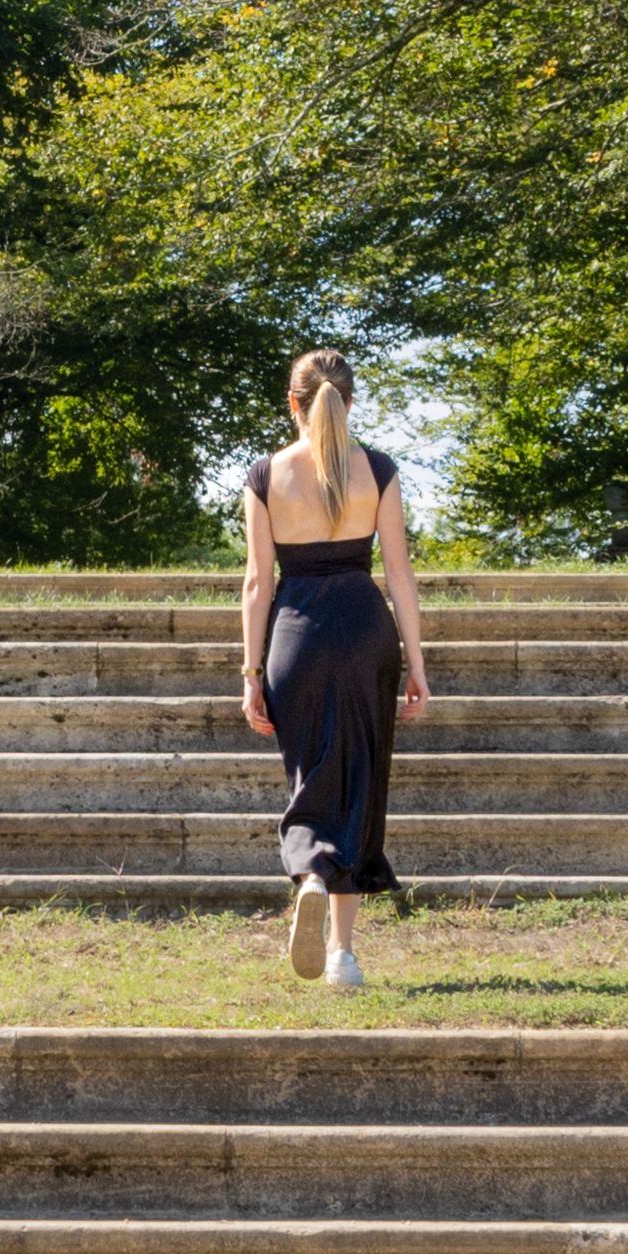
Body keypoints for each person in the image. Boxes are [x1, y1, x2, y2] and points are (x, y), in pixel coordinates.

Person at [236, 347, 432, 985]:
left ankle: (310, 872)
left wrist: (250, 674)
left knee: (308, 778)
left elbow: (256, 584)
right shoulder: (377, 469)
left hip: (295, 636)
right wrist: (417, 665)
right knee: (358, 784)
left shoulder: (266, 475)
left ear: (293, 404)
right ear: (350, 403)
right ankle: (342, 955)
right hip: (366, 633)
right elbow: (399, 574)